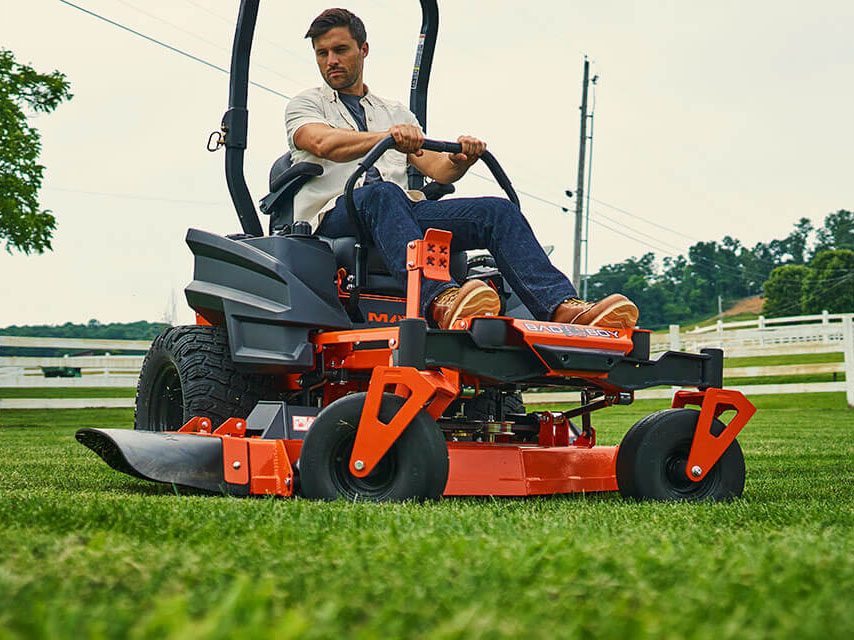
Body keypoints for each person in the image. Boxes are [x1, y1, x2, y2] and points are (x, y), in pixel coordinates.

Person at [286, 8, 638, 331]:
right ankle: (441, 299)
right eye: (322, 53)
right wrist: (388, 138)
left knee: (494, 211)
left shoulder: (394, 112)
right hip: (336, 215)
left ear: (363, 49)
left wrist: (460, 160)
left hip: (399, 212)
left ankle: (561, 306)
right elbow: (321, 143)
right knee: (382, 193)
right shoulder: (306, 104)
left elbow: (437, 170)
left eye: (340, 50)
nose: (331, 60)